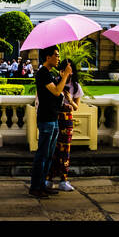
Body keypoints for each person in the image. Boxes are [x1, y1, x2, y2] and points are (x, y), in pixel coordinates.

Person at [29, 46, 71, 198]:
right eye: (56, 55)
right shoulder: (42, 73)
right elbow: (56, 91)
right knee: (42, 155)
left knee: (48, 155)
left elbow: (57, 92)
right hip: (46, 119)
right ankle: (35, 187)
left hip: (53, 118)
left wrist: (61, 77)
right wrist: (65, 76)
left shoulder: (49, 74)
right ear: (48, 57)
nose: (58, 58)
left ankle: (42, 185)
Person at [46, 59, 83, 193]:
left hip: (67, 120)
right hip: (55, 117)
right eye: (64, 70)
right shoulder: (55, 82)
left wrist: (70, 100)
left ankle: (64, 179)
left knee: (65, 150)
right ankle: (49, 178)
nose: (67, 72)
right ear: (60, 71)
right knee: (52, 149)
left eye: (69, 69)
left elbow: (76, 107)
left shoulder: (76, 86)